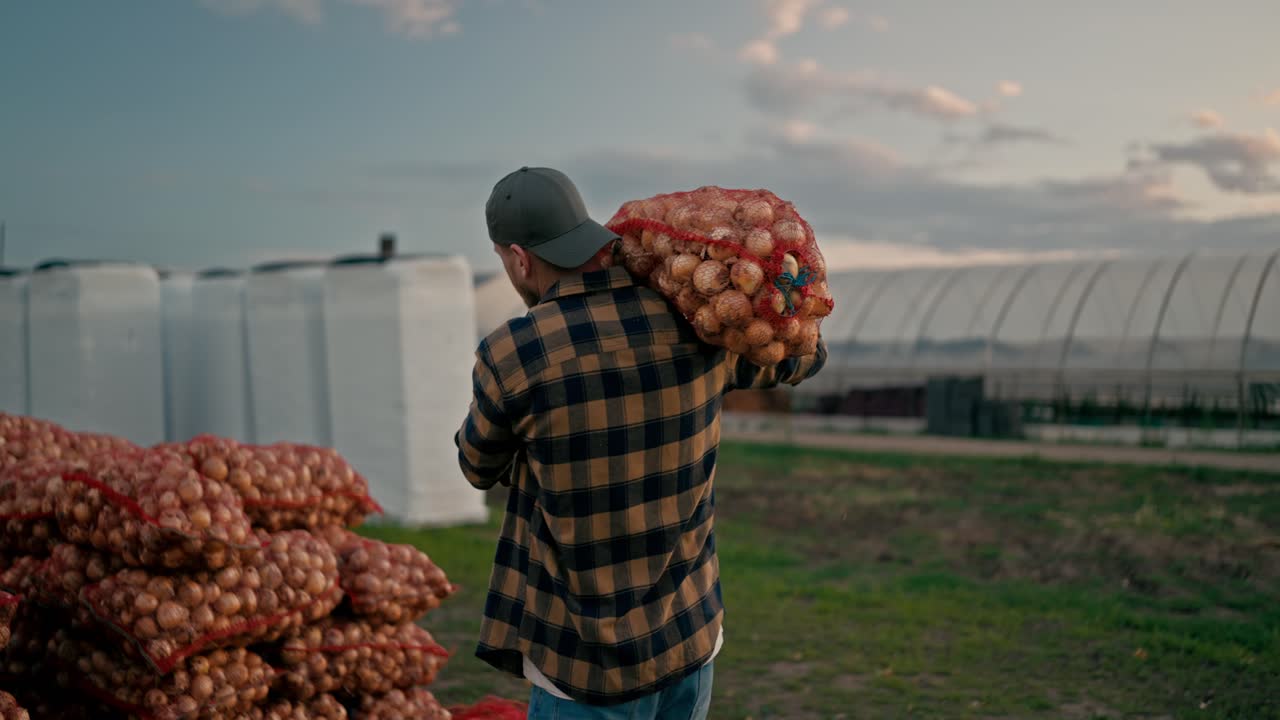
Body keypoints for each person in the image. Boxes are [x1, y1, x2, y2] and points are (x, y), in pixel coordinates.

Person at [456, 167, 827, 719]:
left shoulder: (515, 352)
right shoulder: (691, 323)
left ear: (519, 258)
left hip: (585, 671)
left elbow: (476, 464)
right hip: (690, 638)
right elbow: (801, 358)